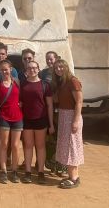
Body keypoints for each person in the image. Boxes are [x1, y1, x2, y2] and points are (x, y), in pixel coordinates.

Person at [20, 61, 54, 184]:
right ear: (26, 70)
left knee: (40, 146)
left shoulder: (45, 85)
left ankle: (40, 172)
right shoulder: (23, 85)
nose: (32, 70)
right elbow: (20, 104)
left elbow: (49, 105)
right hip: (27, 120)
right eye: (29, 68)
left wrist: (51, 124)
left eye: (34, 68)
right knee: (28, 146)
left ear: (38, 69)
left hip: (41, 119)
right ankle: (28, 172)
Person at [52, 59, 84, 189]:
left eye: (61, 67)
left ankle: (74, 178)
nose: (58, 69)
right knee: (68, 146)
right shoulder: (62, 82)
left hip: (71, 116)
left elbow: (79, 102)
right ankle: (72, 175)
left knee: (72, 147)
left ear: (66, 67)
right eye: (56, 68)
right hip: (64, 115)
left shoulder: (73, 81)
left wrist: (76, 120)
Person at [0, 60, 22, 184]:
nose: (4, 71)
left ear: (11, 69)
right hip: (3, 117)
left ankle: (14, 171)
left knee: (15, 146)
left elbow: (21, 98)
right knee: (3, 144)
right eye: (2, 69)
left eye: (6, 69)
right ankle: (4, 171)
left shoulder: (17, 81)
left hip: (17, 117)